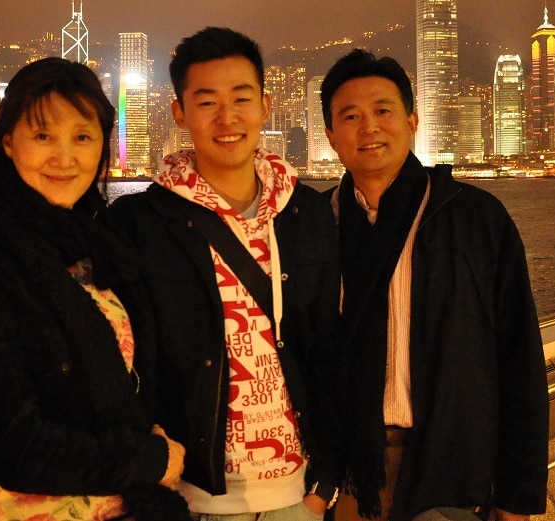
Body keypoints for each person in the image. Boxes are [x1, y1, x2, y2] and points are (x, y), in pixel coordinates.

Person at [0, 57, 188, 521]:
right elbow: (12, 446)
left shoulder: (101, 255)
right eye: (43, 136)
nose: (64, 158)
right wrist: (150, 459)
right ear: (9, 142)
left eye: (82, 138)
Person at [107, 27, 343, 521]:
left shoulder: (306, 213)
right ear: (180, 113)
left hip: (296, 497)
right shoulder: (140, 224)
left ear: (266, 104)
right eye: (207, 101)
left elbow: (327, 350)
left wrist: (324, 483)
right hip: (188, 497)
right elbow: (121, 362)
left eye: (241, 98)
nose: (227, 117)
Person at [319, 49, 549, 521]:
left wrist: (517, 495)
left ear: (411, 120)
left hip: (452, 466)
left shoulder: (475, 220)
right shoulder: (312, 225)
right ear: (330, 135)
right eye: (350, 116)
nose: (369, 127)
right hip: (337, 474)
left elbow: (519, 357)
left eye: (383, 110)